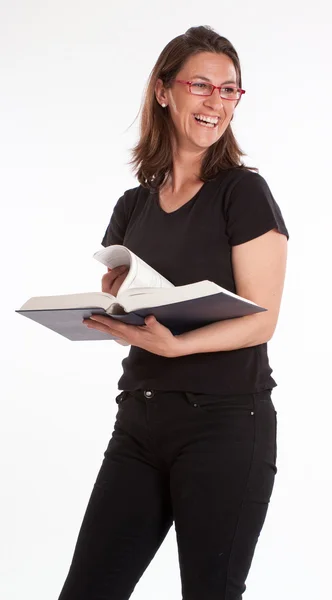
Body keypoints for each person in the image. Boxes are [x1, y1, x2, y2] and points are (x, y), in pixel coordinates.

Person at [58, 25, 289, 600]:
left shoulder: (242, 194)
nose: (216, 102)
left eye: (230, 90)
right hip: (139, 420)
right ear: (164, 91)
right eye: (201, 86)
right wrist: (116, 316)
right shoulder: (132, 205)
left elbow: (262, 320)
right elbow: (135, 315)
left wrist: (178, 345)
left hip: (224, 424)